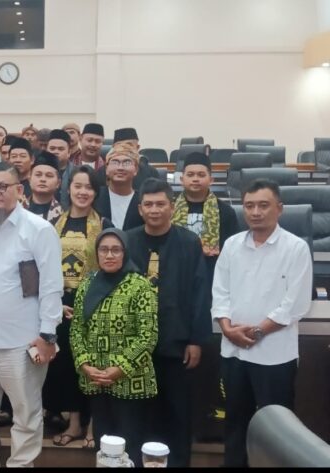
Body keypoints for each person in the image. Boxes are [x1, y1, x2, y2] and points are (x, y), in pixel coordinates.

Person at [0, 162, 63, 467]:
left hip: (21, 340)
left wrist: (48, 335)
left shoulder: (39, 230)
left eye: (2, 187)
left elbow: (51, 286)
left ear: (19, 190)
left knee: (26, 413)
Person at [211, 179, 312, 468]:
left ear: (279, 209)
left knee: (277, 430)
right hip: (233, 352)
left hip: (274, 355)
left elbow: (295, 305)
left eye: (263, 205)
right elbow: (220, 292)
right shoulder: (232, 245)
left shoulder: (295, 248)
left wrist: (256, 331)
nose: (255, 212)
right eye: (249, 206)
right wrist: (227, 328)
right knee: (235, 423)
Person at [125, 178, 212, 467]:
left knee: (177, 415)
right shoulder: (127, 241)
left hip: (176, 343)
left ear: (172, 207)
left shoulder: (188, 242)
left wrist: (196, 340)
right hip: (135, 346)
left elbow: (200, 293)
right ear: (140, 209)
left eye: (160, 204)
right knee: (139, 415)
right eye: (148, 204)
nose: (154, 210)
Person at [69, 228, 158, 467]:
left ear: (125, 253)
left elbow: (148, 335)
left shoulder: (140, 285)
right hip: (96, 380)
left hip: (130, 382)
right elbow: (76, 329)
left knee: (130, 445)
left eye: (116, 250)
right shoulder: (87, 284)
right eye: (104, 249)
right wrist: (85, 364)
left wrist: (119, 369)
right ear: (96, 253)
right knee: (104, 444)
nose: (109, 255)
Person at [46, 166, 112, 448]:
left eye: (89, 187)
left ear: (96, 192)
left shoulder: (104, 224)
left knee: (94, 363)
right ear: (69, 188)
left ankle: (94, 426)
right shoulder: (53, 224)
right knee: (68, 365)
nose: (83, 192)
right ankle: (74, 422)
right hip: (60, 304)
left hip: (94, 302)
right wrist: (55, 303)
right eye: (78, 186)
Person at [174, 152, 239, 280]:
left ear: (211, 180)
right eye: (190, 175)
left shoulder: (225, 211)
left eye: (201, 175)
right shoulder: (170, 210)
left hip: (213, 273)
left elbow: (233, 249)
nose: (195, 179)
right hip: (178, 272)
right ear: (181, 179)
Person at [93, 146, 144, 231]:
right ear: (106, 169)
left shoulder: (143, 200)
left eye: (127, 162)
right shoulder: (95, 196)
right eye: (115, 162)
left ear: (136, 169)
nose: (120, 168)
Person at [25, 151, 63, 225]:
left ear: (58, 183)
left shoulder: (62, 217)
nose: (43, 179)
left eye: (49, 176)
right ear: (29, 179)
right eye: (38, 175)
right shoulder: (17, 209)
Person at [46, 129, 73, 209]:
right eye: (52, 148)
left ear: (69, 152)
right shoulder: (37, 172)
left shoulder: (77, 173)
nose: (56, 152)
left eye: (61, 149)